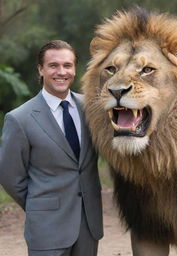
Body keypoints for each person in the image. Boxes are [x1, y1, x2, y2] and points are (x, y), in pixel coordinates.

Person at [0, 40, 103, 256]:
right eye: (53, 65)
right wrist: (40, 203)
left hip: (88, 226)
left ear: (75, 69)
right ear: (41, 69)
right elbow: (10, 176)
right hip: (46, 227)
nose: (61, 72)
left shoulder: (92, 109)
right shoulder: (20, 119)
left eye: (67, 65)